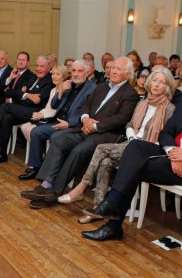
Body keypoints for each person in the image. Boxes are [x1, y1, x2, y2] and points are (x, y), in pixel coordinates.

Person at [58, 68, 175, 223]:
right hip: (131, 143)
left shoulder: (170, 109)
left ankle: (82, 187)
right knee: (105, 162)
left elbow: (166, 136)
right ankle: (98, 208)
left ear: (167, 87)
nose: (157, 84)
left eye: (162, 82)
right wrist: (132, 137)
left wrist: (139, 143)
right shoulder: (142, 103)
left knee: (101, 148)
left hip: (148, 149)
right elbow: (130, 124)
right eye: (155, 80)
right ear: (149, 82)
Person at [20, 57, 139, 209]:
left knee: (78, 150)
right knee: (59, 141)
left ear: (127, 73)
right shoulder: (101, 87)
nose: (113, 71)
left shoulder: (130, 93)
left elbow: (121, 119)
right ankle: (46, 184)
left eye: (118, 69)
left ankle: (54, 191)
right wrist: (85, 119)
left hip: (106, 134)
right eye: (113, 68)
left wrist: (94, 126)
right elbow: (86, 106)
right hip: (85, 127)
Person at [81, 102, 182, 241]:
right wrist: (172, 152)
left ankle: (113, 218)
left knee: (134, 167)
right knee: (135, 147)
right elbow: (166, 132)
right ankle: (113, 206)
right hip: (173, 153)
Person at [0, 55, 54, 164]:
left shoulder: (49, 81)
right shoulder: (34, 77)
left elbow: (36, 100)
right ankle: (3, 154)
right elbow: (8, 92)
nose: (39, 69)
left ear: (48, 67)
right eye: (37, 66)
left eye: (42, 66)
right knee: (7, 118)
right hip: (24, 108)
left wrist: (23, 95)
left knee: (5, 107)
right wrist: (27, 95)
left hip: (37, 112)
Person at [19, 60, 96, 180]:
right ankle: (36, 167)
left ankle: (51, 173)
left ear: (87, 73)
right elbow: (54, 105)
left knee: (56, 137)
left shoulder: (92, 89)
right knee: (36, 132)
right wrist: (60, 91)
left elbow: (88, 112)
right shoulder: (69, 85)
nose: (76, 74)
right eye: (74, 71)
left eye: (80, 71)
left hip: (74, 125)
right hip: (58, 120)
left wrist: (69, 124)